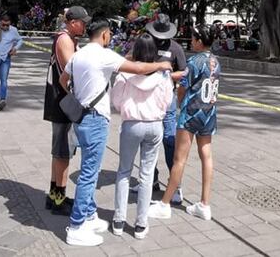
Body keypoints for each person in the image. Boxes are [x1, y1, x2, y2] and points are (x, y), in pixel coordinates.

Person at [59, 18, 171, 247]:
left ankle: (90, 215)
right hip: (96, 119)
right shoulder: (104, 55)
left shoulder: (78, 55)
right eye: (109, 33)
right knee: (90, 173)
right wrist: (160, 65)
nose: (110, 37)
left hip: (81, 117)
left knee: (92, 167)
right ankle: (77, 226)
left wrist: (79, 97)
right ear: (103, 35)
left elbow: (63, 80)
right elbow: (139, 68)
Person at [150, 27, 221, 222]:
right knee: (207, 156)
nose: (191, 41)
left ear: (199, 41)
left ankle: (165, 203)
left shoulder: (194, 61)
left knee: (179, 159)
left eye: (193, 38)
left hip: (191, 113)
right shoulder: (216, 62)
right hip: (209, 112)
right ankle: (205, 203)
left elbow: (182, 88)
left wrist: (180, 104)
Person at [111, 33, 172, 238]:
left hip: (131, 124)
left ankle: (119, 220)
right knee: (146, 175)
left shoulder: (124, 75)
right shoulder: (162, 75)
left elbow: (117, 101)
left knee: (124, 172)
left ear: (135, 51)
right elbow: (167, 102)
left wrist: (128, 110)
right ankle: (140, 223)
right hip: (154, 125)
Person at [43, 5, 87, 215]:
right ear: (72, 22)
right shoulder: (65, 40)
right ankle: (58, 199)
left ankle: (54, 195)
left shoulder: (68, 38)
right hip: (63, 102)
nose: (85, 25)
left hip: (59, 101)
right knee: (63, 152)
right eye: (82, 21)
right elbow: (73, 68)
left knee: (60, 151)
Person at [144, 13, 188, 203]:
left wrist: (168, 75)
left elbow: (185, 72)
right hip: (147, 98)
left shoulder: (176, 48)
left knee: (170, 141)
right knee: (147, 140)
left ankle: (175, 185)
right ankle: (150, 179)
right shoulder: (147, 43)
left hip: (167, 100)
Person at [0, 14, 22, 110]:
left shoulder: (13, 30)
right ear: (0, 23)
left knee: (3, 79)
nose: (5, 27)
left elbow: (20, 40)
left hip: (5, 58)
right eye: (3, 25)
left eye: (7, 25)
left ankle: (3, 99)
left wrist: (15, 48)